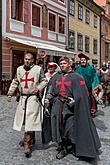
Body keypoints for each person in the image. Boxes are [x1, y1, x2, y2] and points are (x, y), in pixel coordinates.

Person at [44, 56, 101, 160]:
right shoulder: (56, 76)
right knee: (59, 126)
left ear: (69, 64)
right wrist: (48, 99)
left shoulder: (77, 77)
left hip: (69, 107)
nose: (62, 65)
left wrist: (75, 100)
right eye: (60, 64)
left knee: (69, 127)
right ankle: (63, 145)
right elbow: (51, 89)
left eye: (64, 63)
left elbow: (82, 94)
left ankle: (69, 146)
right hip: (57, 104)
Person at [7, 52, 48, 158]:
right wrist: (10, 93)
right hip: (23, 98)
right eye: (25, 59)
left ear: (33, 60)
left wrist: (38, 88)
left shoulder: (38, 69)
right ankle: (31, 137)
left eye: (29, 59)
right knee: (24, 120)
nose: (27, 61)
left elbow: (44, 81)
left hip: (33, 98)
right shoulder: (19, 69)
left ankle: (27, 143)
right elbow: (15, 81)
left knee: (30, 119)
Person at [75, 53, 101, 117]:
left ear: (86, 61)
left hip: (89, 88)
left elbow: (95, 78)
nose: (83, 61)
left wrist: (94, 87)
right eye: (81, 60)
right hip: (79, 88)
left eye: (84, 60)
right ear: (80, 61)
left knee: (91, 100)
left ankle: (92, 111)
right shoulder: (77, 68)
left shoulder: (91, 69)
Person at [42, 62, 60, 145]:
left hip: (54, 98)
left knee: (55, 117)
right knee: (46, 117)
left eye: (52, 67)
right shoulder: (45, 75)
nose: (51, 68)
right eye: (49, 67)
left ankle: (55, 136)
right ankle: (47, 137)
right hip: (45, 96)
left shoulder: (58, 75)